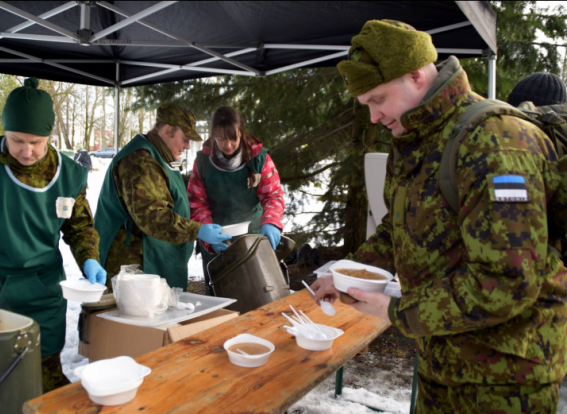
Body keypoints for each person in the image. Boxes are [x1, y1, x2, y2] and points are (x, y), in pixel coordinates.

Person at [311, 20, 567, 413]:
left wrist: (397, 311)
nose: (374, 117)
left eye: (378, 100)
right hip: (442, 362)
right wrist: (346, 270)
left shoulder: (496, 142)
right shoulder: (415, 138)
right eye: (367, 106)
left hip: (505, 381)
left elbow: (508, 280)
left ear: (415, 75)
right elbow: (399, 232)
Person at [0, 77, 107, 393]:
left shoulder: (68, 175)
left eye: (36, 142)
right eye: (16, 140)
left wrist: (90, 259)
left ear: (49, 136)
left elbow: (80, 228)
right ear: (4, 131)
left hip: (42, 295)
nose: (26, 151)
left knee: (43, 380)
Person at [94, 103, 231, 292]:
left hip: (153, 259)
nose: (187, 146)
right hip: (132, 266)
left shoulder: (159, 157)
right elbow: (152, 216)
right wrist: (197, 231)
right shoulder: (141, 161)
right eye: (184, 139)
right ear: (167, 131)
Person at [186, 106, 285, 296]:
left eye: (233, 138)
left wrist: (271, 222)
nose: (228, 144)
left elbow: (273, 195)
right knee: (220, 300)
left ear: (242, 132)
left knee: (258, 296)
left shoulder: (259, 158)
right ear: (213, 135)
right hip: (217, 244)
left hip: (254, 241)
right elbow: (196, 203)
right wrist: (207, 236)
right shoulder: (203, 162)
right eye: (221, 138)